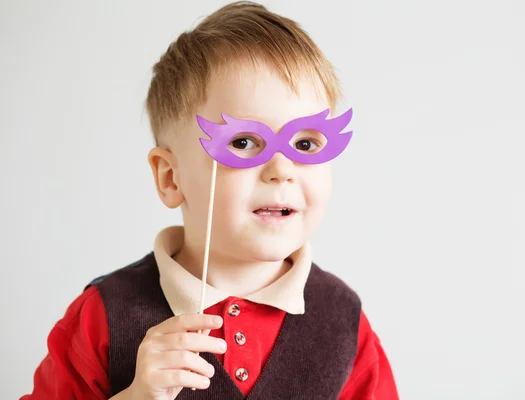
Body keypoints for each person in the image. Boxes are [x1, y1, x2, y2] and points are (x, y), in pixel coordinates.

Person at [21, 2, 399, 399]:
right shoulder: (104, 315)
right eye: (243, 142)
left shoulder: (343, 320)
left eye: (305, 143)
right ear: (171, 178)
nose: (282, 169)